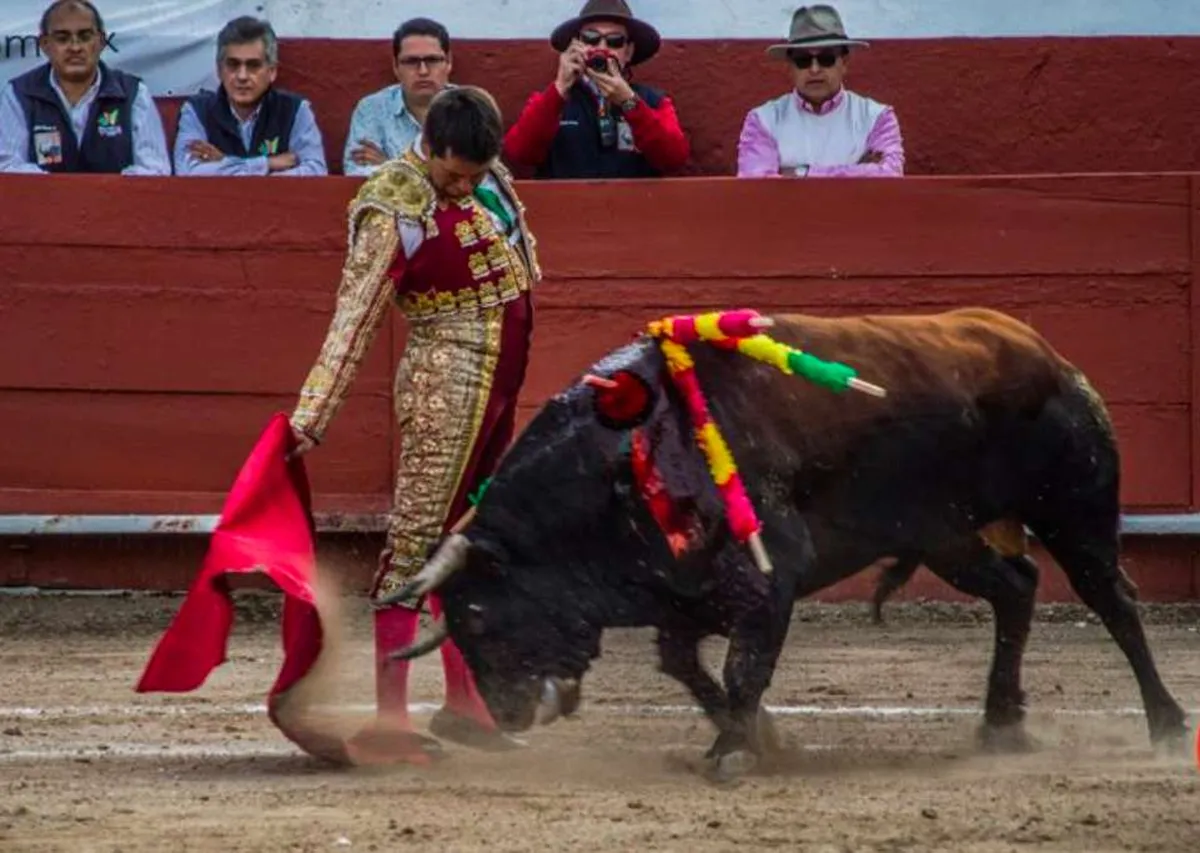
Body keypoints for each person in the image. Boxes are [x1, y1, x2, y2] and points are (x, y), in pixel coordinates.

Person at [288, 85, 542, 764]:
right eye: (454, 173)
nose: (463, 185)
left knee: (469, 541)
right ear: (428, 147)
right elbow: (357, 312)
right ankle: (392, 717)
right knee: (415, 544)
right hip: (444, 381)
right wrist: (312, 414)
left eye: (476, 174)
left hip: (497, 386)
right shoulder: (394, 201)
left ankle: (465, 705)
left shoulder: (489, 181)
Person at [503, 0, 689, 179]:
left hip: (633, 209)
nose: (602, 47)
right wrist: (559, 89)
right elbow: (520, 153)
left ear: (629, 52)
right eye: (591, 38)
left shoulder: (652, 101)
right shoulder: (552, 100)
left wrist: (629, 102)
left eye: (615, 41)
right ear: (576, 45)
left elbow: (673, 158)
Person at [0, 0, 170, 175]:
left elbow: (156, 169)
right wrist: (65, 194)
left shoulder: (133, 93)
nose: (75, 47)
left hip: (116, 201)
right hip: (43, 201)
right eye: (62, 38)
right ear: (44, 44)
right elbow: (7, 167)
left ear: (101, 41)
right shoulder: (19, 93)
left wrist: (102, 193)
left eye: (85, 36)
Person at [737, 4, 904, 178]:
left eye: (826, 58)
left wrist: (800, 173)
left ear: (844, 62)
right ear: (790, 67)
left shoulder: (876, 117)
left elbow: (890, 176)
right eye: (803, 60)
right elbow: (756, 187)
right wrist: (858, 171)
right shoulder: (764, 120)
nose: (815, 69)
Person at [174, 16, 328, 177]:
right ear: (219, 70)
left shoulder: (295, 110)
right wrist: (267, 164)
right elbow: (188, 171)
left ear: (272, 71)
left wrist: (224, 163)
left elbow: (316, 171)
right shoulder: (196, 111)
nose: (242, 76)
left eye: (253, 65)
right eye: (233, 65)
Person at [343, 17, 455, 177]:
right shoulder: (372, 109)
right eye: (411, 61)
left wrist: (390, 166)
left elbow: (480, 181)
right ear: (395, 66)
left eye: (432, 60)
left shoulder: (470, 108)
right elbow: (357, 172)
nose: (423, 71)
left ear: (449, 62)